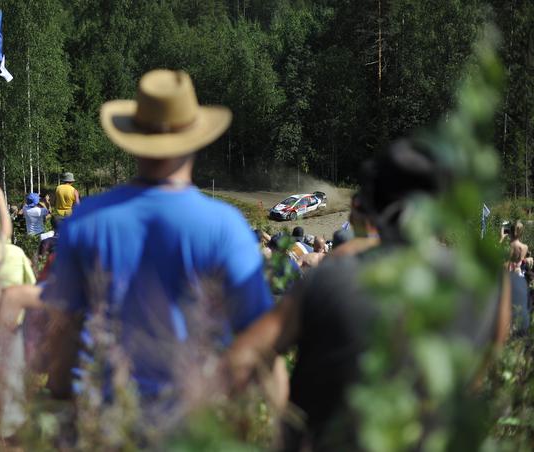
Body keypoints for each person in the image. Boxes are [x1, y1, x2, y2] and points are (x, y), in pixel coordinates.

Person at [225, 140, 511, 451]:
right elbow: (482, 380)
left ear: (369, 203)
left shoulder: (329, 275)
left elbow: (242, 359)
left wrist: (283, 426)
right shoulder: (490, 285)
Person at [37, 69, 274, 401]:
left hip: (106, 421)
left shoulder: (87, 222)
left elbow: (64, 326)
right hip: (193, 426)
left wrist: (60, 395)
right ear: (197, 138)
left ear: (134, 139)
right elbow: (258, 337)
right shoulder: (226, 226)